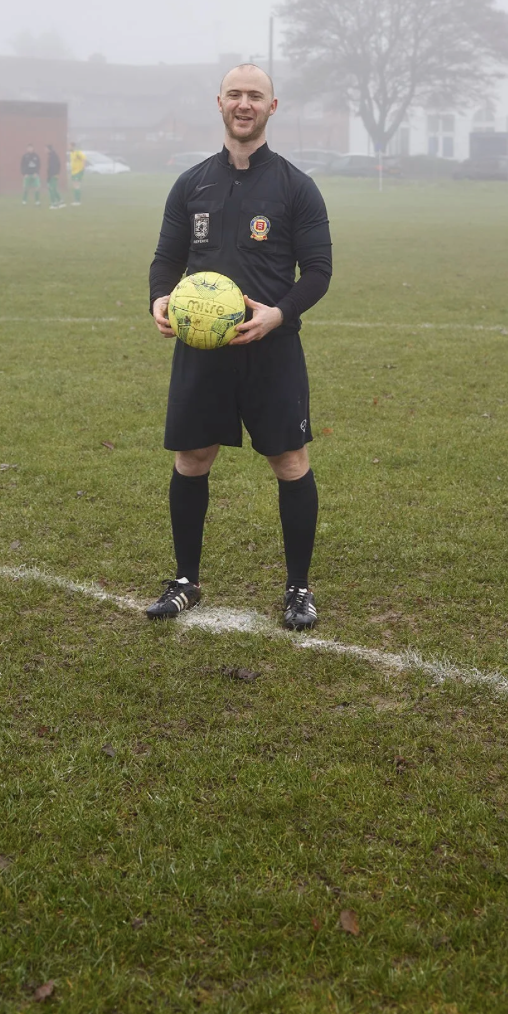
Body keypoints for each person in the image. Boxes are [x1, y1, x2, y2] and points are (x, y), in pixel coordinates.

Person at [146, 64, 332, 632]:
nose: (244, 104)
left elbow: (319, 270)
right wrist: (159, 298)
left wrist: (278, 314)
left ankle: (298, 588)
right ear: (219, 103)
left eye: (256, 96)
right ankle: (185, 581)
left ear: (273, 107)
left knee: (290, 462)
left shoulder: (295, 186)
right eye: (235, 95)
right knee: (191, 460)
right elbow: (165, 259)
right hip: (202, 351)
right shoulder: (191, 184)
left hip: (271, 349)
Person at [46, 144, 63, 208]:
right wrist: (57, 173)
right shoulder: (53, 155)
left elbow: (52, 167)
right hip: (54, 174)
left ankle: (54, 204)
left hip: (52, 175)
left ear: (49, 149)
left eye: (46, 149)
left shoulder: (52, 156)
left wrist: (50, 176)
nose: (45, 150)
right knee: (54, 189)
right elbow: (59, 165)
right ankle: (61, 201)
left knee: (51, 189)